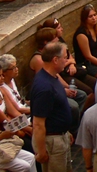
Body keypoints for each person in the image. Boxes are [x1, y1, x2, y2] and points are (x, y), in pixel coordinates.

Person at [30, 42, 75, 172]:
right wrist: (42, 151)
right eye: (64, 58)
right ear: (55, 60)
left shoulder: (52, 78)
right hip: (52, 143)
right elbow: (38, 123)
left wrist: (65, 132)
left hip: (60, 136)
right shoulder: (44, 87)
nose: (67, 61)